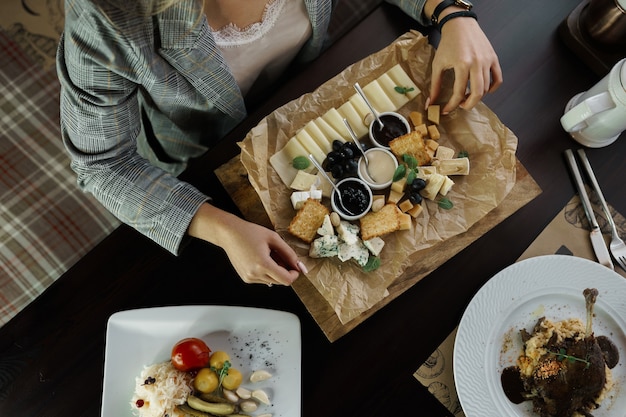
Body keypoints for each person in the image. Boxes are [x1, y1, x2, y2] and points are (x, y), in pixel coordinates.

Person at [57, 0, 502, 287]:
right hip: (206, 152)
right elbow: (103, 163)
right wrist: (223, 229)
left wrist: (452, 13)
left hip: (320, 80)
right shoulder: (105, 17)